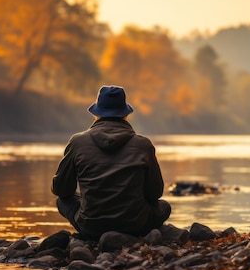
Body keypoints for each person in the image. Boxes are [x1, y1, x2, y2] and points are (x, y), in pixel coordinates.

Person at [51, 85, 171, 240]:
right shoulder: (143, 145)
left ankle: (92, 235)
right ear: (125, 115)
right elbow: (155, 193)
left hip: (91, 226)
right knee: (164, 206)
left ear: (96, 114)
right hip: (135, 226)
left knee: (63, 201)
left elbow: (61, 190)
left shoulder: (77, 142)